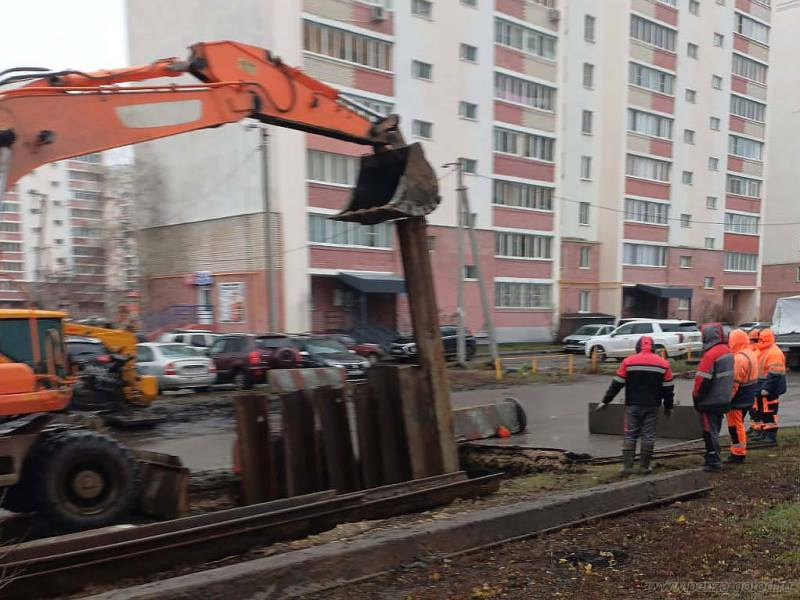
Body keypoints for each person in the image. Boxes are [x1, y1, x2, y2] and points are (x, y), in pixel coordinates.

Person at [598, 335, 674, 475]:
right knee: (648, 435)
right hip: (652, 406)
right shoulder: (663, 364)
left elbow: (616, 384)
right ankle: (644, 467)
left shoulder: (628, 362)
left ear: (638, 347)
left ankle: (627, 467)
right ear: (654, 347)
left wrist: (605, 401)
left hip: (632, 405)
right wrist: (669, 407)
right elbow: (668, 388)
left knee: (630, 434)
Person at [692, 323, 734, 472]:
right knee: (715, 428)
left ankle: (713, 459)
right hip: (723, 399)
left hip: (709, 401)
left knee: (709, 432)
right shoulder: (728, 351)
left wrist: (696, 399)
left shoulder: (711, 355)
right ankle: (712, 456)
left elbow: (701, 381)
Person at [725, 329, 759, 464]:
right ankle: (738, 451)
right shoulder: (750, 353)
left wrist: (727, 399)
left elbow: (734, 384)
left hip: (738, 398)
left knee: (735, 426)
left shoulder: (739, 358)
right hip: (748, 396)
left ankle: (738, 454)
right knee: (738, 425)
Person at [753, 328, 787, 445]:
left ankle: (771, 437)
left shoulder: (774, 352)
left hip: (770, 389)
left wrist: (766, 388)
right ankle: (766, 434)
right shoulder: (763, 350)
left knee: (769, 412)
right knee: (763, 412)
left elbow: (775, 374)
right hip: (763, 387)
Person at [746, 328, 763, 437]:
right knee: (755, 407)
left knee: (755, 408)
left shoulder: (755, 351)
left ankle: (756, 428)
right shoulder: (757, 351)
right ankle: (754, 427)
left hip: (753, 383)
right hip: (756, 383)